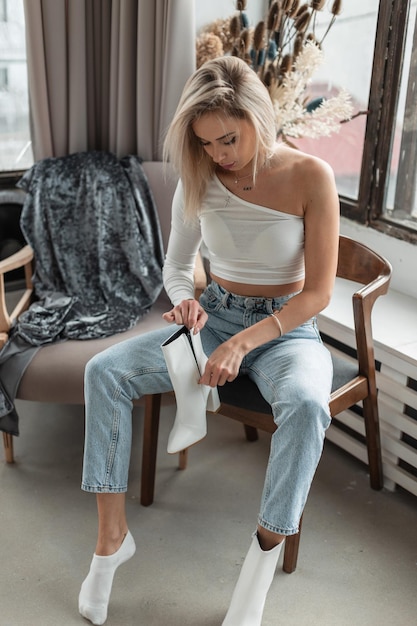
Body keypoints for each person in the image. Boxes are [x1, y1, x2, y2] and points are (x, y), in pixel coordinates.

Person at [78, 55, 340, 626]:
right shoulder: (200, 177)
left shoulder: (310, 176)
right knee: (103, 371)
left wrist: (245, 343)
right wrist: (185, 300)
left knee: (306, 403)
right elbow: (177, 266)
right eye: (205, 143)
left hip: (287, 328)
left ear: (257, 117)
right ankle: (110, 541)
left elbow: (318, 293)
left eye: (228, 137)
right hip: (213, 315)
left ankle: (260, 564)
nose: (219, 154)